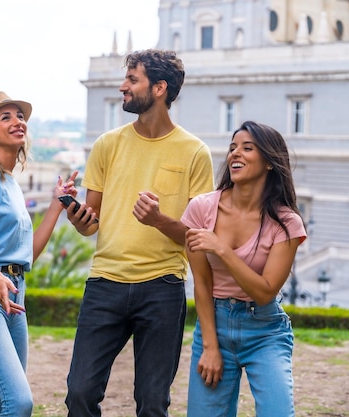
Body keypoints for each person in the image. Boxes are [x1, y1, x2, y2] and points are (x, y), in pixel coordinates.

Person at [63, 49, 214, 417]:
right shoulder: (107, 145)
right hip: (105, 283)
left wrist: (160, 220)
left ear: (159, 88)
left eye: (132, 79)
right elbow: (92, 220)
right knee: (80, 393)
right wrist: (80, 219)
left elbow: (200, 237)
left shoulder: (195, 152)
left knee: (152, 403)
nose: (122, 87)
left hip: (162, 287)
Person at [0, 91, 78, 417]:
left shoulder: (9, 182)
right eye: (6, 117)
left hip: (14, 295)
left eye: (20, 116)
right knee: (19, 402)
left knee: (4, 401)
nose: (17, 121)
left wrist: (57, 203)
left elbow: (27, 257)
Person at [181, 121, 306, 417]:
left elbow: (265, 292)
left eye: (247, 148)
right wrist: (211, 347)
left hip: (265, 330)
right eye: (233, 147)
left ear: (270, 162)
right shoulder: (201, 209)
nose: (236, 153)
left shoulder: (287, 223)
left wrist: (222, 249)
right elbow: (201, 282)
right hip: (215, 325)